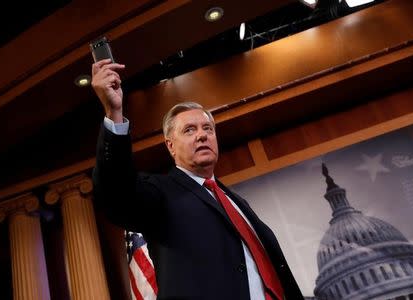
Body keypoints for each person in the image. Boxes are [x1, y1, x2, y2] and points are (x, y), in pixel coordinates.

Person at [91, 59, 303, 300]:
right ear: (170, 146)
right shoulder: (160, 193)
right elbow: (116, 191)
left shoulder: (236, 202)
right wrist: (114, 113)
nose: (202, 135)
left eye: (207, 129)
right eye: (189, 130)